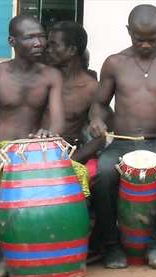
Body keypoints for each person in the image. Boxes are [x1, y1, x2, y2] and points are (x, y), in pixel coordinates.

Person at [0, 15, 90, 277]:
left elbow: (57, 120)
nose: (39, 42)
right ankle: (7, 254)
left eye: (41, 36)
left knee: (80, 174)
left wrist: (50, 133)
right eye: (30, 37)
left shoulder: (51, 75)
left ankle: (68, 250)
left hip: (39, 152)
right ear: (12, 41)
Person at [88, 4, 156, 269]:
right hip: (122, 142)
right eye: (139, 38)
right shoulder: (115, 63)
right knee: (102, 175)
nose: (146, 44)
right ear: (128, 32)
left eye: (153, 39)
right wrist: (96, 120)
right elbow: (99, 104)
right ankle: (112, 247)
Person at [43, 21, 104, 169]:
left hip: (65, 154)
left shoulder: (90, 88)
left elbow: (100, 137)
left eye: (53, 45)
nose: (47, 49)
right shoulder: (41, 78)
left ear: (71, 50)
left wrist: (72, 161)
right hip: (30, 152)